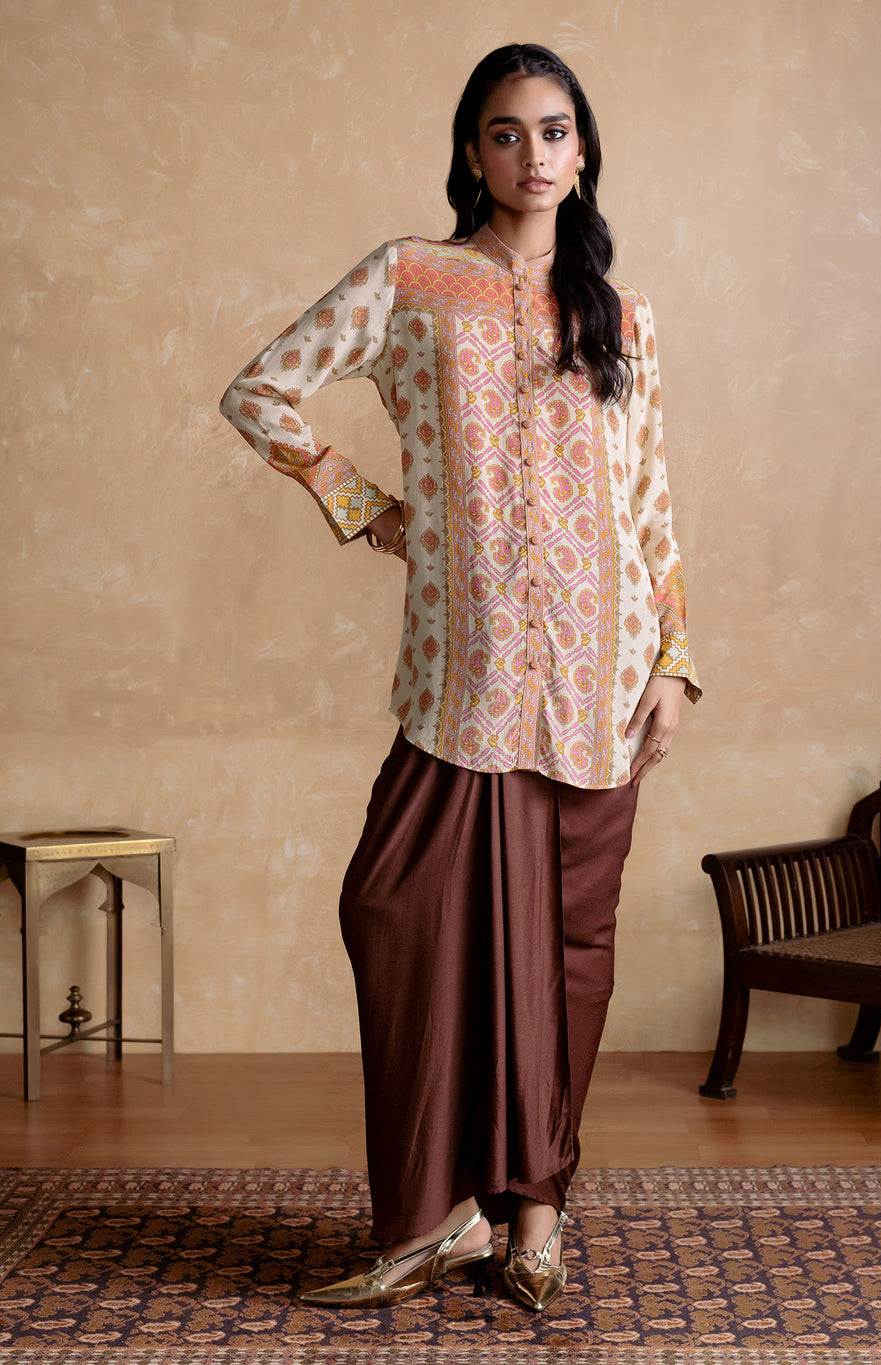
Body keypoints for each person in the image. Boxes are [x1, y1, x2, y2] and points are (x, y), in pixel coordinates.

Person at [220, 42, 700, 1314]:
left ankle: (535, 1220)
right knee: (397, 914)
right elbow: (260, 389)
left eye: (553, 132)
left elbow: (645, 497)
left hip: (599, 682)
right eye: (505, 133)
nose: (531, 155)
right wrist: (363, 505)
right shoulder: (413, 279)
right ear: (470, 150)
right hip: (464, 676)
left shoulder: (622, 312)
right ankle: (434, 1218)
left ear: (582, 149)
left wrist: (674, 659)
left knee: (568, 954)